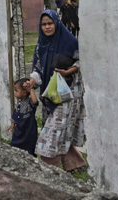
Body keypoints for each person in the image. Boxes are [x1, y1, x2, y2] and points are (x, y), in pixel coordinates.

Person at [24, 10, 86, 172]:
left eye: (50, 23)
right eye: (44, 24)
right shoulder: (41, 45)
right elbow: (38, 69)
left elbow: (83, 61)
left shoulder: (71, 41)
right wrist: (31, 81)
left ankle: (47, 171)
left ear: (57, 23)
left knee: (52, 133)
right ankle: (75, 164)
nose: (47, 27)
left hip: (67, 95)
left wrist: (68, 71)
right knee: (57, 130)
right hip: (49, 94)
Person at [7, 77, 39, 156]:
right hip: (20, 131)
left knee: (29, 149)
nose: (15, 93)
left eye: (16, 91)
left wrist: (30, 89)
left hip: (29, 132)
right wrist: (12, 124)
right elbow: (16, 114)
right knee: (15, 147)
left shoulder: (29, 103)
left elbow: (35, 102)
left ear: (24, 93)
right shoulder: (19, 104)